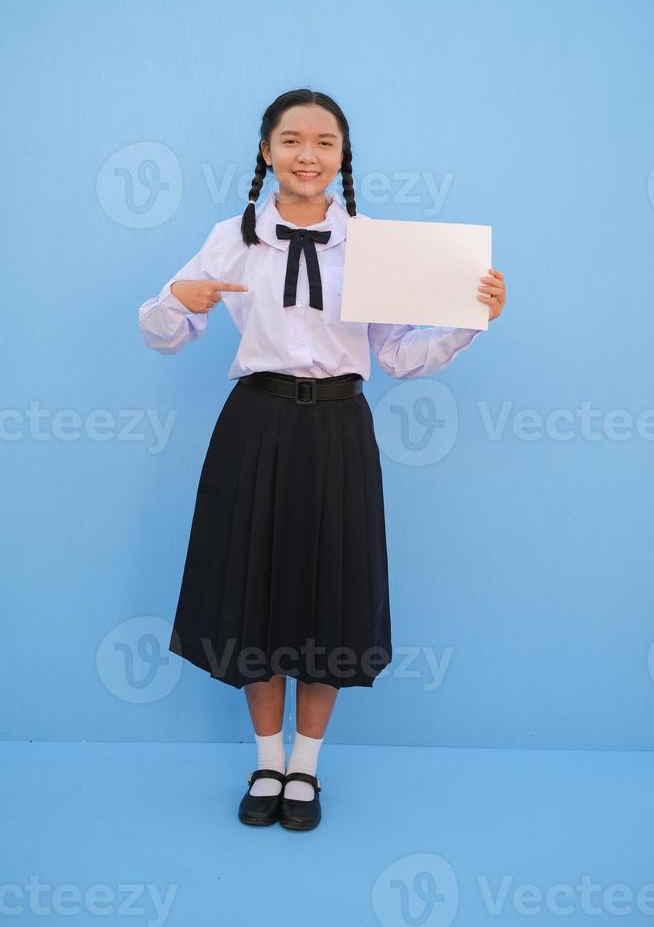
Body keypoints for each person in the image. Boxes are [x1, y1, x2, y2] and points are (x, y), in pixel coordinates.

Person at [137, 88, 507, 832]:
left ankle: (306, 768)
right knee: (256, 587)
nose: (308, 155)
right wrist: (178, 297)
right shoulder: (234, 235)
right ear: (267, 151)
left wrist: (472, 321)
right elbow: (164, 331)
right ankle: (266, 758)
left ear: (343, 156)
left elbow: (399, 355)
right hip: (256, 424)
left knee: (329, 590)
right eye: (292, 140)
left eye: (325, 142)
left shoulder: (373, 245)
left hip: (339, 428)